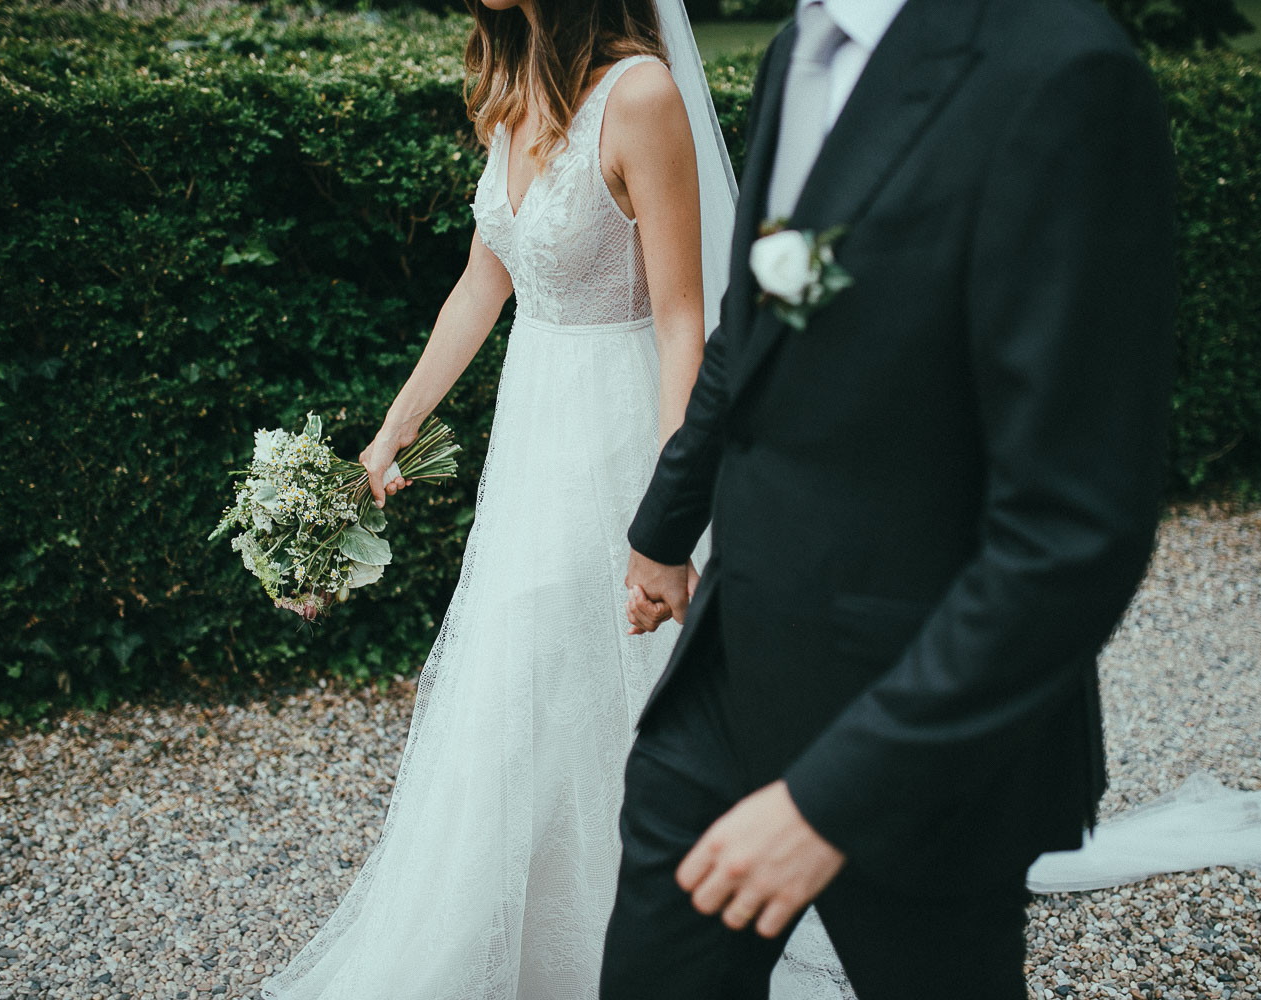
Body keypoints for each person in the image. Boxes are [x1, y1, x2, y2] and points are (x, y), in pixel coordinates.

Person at [258, 0, 848, 996]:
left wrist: (668, 510)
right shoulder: (514, 87)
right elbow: (481, 283)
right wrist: (390, 431)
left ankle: (645, 944)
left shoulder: (642, 94)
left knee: (601, 683)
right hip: (532, 449)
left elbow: (680, 325)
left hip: (619, 441)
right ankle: (511, 947)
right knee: (515, 684)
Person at [606, 0, 1181, 996]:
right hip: (729, 671)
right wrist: (666, 523)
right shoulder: (800, 49)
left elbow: (1074, 527)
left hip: (914, 720)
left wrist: (832, 800)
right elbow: (758, 317)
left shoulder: (1063, 75)